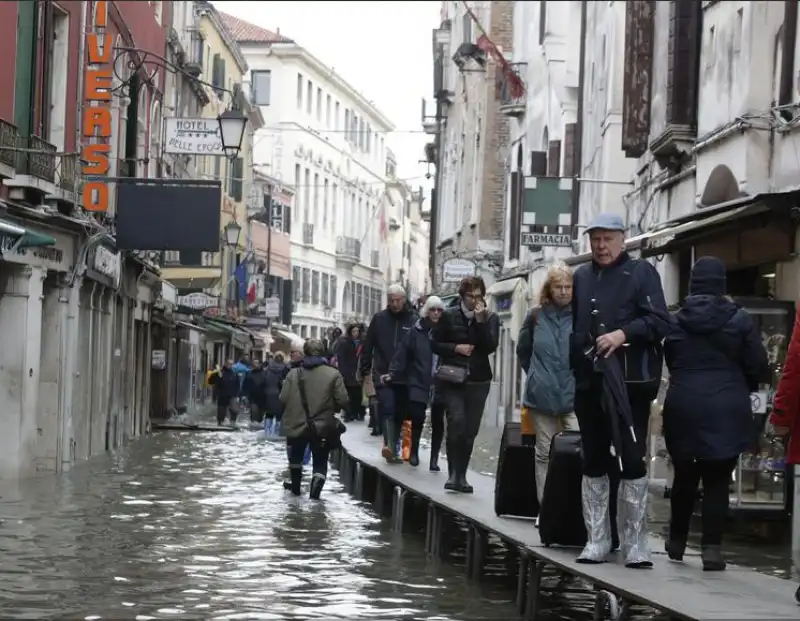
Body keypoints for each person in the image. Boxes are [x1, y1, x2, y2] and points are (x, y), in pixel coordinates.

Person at [570, 213, 670, 568]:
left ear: (622, 239)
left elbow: (660, 321)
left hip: (630, 384)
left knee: (631, 457)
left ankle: (635, 544)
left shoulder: (642, 273)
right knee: (593, 457)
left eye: (607, 238)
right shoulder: (581, 276)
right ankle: (597, 540)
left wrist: (622, 334)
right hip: (589, 382)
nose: (600, 246)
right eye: (595, 239)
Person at [663, 257, 768, 570]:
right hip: (726, 405)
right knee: (717, 480)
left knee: (684, 474)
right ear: (722, 284)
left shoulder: (675, 320)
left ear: (693, 284)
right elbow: (758, 365)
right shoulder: (740, 319)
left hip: (683, 404)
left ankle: (677, 541)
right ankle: (711, 549)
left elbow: (671, 358)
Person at [516, 262, 578, 505]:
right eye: (558, 287)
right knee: (543, 452)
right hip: (541, 394)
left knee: (576, 448)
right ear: (549, 289)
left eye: (568, 287)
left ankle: (572, 506)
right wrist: (535, 375)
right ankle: (546, 508)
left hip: (572, 394)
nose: (563, 291)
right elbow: (523, 351)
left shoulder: (580, 316)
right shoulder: (535, 316)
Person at [431, 276, 499, 493]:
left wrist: (480, 323)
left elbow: (489, 346)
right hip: (453, 378)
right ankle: (453, 474)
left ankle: (462, 475)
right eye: (471, 296)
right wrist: (455, 348)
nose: (475, 300)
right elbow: (434, 343)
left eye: (479, 296)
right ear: (462, 296)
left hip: (479, 380)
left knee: (470, 430)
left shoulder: (490, 318)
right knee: (456, 422)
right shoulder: (448, 315)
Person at [279, 339, 349, 499]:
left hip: (296, 424)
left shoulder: (293, 373)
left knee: (295, 457)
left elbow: (282, 398)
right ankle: (315, 497)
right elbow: (343, 400)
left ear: (305, 353)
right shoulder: (333, 374)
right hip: (322, 426)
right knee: (320, 461)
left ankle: (295, 490)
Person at [386, 295, 446, 467]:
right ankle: (413, 452)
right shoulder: (416, 331)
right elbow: (402, 352)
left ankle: (434, 459)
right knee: (417, 416)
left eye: (439, 310)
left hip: (441, 380)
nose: (436, 313)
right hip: (418, 378)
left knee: (438, 420)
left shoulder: (446, 331)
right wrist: (393, 372)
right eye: (433, 310)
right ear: (427, 312)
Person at [360, 284, 418, 463]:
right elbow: (368, 345)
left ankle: (407, 451)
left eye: (398, 300)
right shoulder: (379, 319)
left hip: (407, 375)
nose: (394, 304)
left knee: (407, 413)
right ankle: (390, 448)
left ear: (404, 299)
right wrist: (365, 369)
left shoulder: (413, 320)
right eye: (391, 300)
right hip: (383, 372)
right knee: (388, 409)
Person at [336, 324, 365, 422]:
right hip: (348, 371)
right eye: (354, 331)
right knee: (349, 394)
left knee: (358, 394)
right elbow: (341, 359)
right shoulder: (344, 342)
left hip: (359, 371)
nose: (356, 333)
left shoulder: (362, 342)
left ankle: (359, 413)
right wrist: (343, 372)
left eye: (357, 331)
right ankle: (349, 413)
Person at [209, 359, 241, 425]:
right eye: (229, 364)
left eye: (232, 364)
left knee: (234, 409)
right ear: (225, 364)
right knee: (221, 411)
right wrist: (215, 374)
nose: (230, 365)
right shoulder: (220, 372)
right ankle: (220, 423)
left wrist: (237, 395)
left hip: (232, 395)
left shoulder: (234, 373)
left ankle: (233, 423)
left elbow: (238, 384)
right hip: (222, 395)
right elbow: (210, 381)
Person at [263, 352, 288, 434]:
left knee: (269, 413)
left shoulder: (268, 368)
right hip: (280, 393)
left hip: (269, 393)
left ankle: (267, 431)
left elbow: (264, 380)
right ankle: (277, 432)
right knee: (279, 414)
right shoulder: (285, 368)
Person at [242, 360, 268, 425]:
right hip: (253, 397)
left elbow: (268, 384)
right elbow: (245, 385)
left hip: (263, 398)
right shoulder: (249, 373)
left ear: (260, 364)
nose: (255, 365)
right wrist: (244, 396)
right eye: (254, 363)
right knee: (254, 414)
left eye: (257, 363)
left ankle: (259, 429)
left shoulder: (265, 373)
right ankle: (253, 430)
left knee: (261, 417)